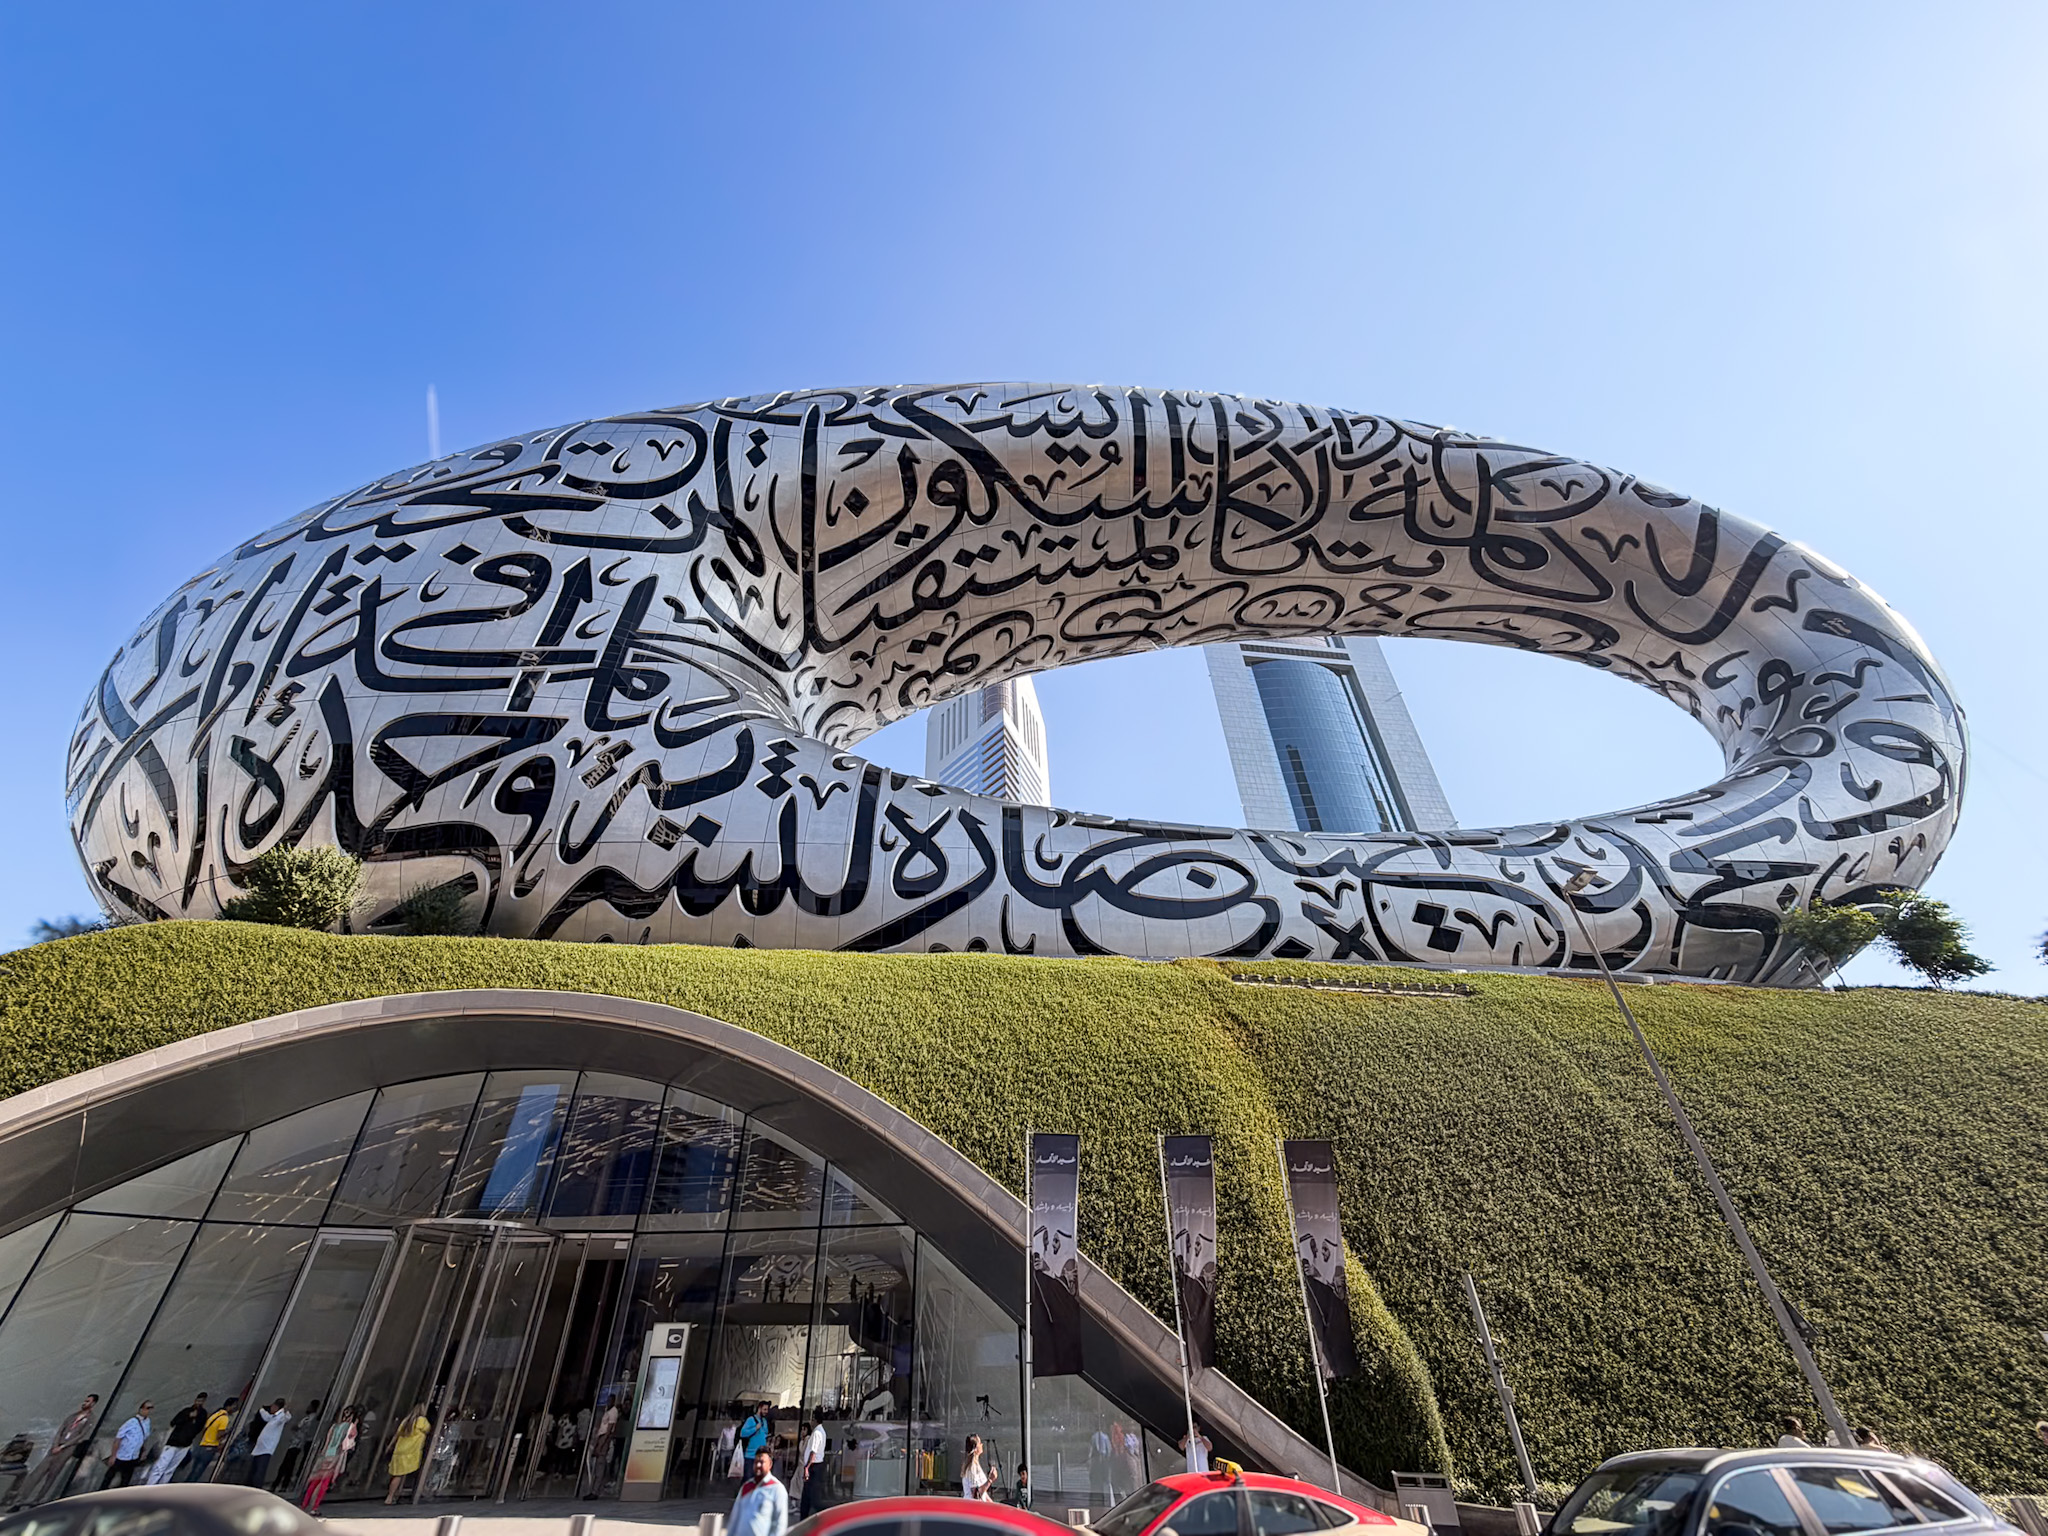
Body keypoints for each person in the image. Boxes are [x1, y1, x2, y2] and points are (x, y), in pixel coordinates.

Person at [18, 1395, 97, 1506]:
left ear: (93, 1404)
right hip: (56, 1446)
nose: (84, 1403)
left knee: (52, 1474)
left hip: (67, 1449)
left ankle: (38, 1498)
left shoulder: (90, 1420)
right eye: (85, 1400)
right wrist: (56, 1444)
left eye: (88, 1401)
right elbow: (61, 1430)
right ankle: (22, 1497)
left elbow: (80, 1436)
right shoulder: (72, 1416)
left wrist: (63, 1446)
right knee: (39, 1472)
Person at [301, 1407, 358, 1514]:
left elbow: (327, 1442)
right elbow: (349, 1443)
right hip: (336, 1455)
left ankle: (304, 1505)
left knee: (315, 1481)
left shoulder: (334, 1427)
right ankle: (314, 1507)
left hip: (326, 1454)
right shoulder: (351, 1427)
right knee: (324, 1483)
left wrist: (323, 1453)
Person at [146, 1395, 209, 1486]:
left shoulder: (202, 1414)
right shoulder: (186, 1411)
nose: (199, 1403)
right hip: (173, 1443)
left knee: (170, 1470)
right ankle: (150, 1486)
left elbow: (199, 1427)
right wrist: (188, 1416)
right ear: (195, 1400)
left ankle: (161, 1487)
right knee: (160, 1467)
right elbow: (174, 1422)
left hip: (185, 1445)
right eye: (198, 1401)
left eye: (201, 1401)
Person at [730, 1447, 787, 1536]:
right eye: (756, 1462)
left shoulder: (777, 1489)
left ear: (770, 1464)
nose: (758, 1465)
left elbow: (780, 1524)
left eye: (762, 1462)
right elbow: (735, 1517)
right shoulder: (746, 1487)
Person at [384, 1402, 431, 1504]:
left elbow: (396, 1435)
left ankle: (394, 1495)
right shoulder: (422, 1421)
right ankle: (391, 1497)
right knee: (403, 1474)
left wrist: (390, 1446)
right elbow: (428, 1430)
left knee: (397, 1474)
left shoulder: (406, 1421)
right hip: (411, 1451)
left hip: (400, 1450)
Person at [272, 1402, 320, 1494]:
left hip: (298, 1443)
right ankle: (280, 1483)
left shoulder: (310, 1419)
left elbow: (302, 1428)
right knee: (287, 1464)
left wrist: (297, 1428)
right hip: (296, 1442)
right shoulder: (308, 1418)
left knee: (288, 1464)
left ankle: (282, 1484)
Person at [187, 1397, 238, 1482]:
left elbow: (205, 1429)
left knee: (193, 1471)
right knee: (197, 1474)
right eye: (234, 1406)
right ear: (229, 1406)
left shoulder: (215, 1415)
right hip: (209, 1448)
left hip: (202, 1446)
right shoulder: (224, 1418)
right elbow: (219, 1435)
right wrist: (229, 1431)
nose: (235, 1409)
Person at [107, 1402, 154, 1488]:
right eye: (147, 1408)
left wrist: (143, 1451)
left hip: (134, 1456)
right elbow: (118, 1438)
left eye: (151, 1408)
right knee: (110, 1476)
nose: (149, 1411)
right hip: (122, 1454)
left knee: (126, 1478)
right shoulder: (131, 1422)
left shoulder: (147, 1422)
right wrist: (113, 1455)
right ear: (141, 1409)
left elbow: (145, 1437)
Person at [247, 1401, 290, 1487]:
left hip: (267, 1448)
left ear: (275, 1407)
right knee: (254, 1469)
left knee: (260, 1470)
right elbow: (266, 1417)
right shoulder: (273, 1417)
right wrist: (261, 1409)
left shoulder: (280, 1417)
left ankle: (256, 1488)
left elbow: (285, 1418)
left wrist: (285, 1411)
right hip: (261, 1447)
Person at [798, 1411, 827, 1519]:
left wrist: (807, 1467)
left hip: (814, 1465)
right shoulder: (820, 1431)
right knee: (810, 1493)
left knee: (809, 1494)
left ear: (815, 1420)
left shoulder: (817, 1433)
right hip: (815, 1465)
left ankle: (806, 1517)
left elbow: (813, 1452)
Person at [961, 1434, 989, 1500]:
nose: (982, 1444)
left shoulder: (976, 1465)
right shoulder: (971, 1468)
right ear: (975, 1448)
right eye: (980, 1443)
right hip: (972, 1506)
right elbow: (976, 1493)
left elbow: (984, 1494)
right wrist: (990, 1480)